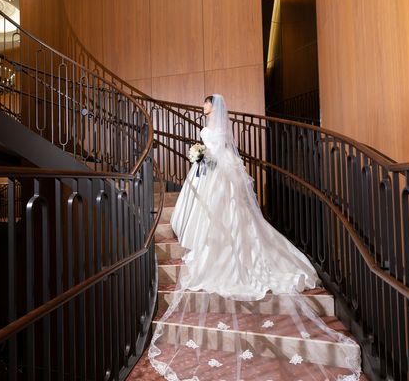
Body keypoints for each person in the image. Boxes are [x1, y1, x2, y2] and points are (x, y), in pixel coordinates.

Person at [148, 94, 361, 380]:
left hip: (216, 176)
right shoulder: (216, 128)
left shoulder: (213, 129)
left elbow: (217, 152)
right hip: (214, 173)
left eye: (206, 103)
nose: (203, 106)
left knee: (227, 220)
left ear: (213, 106)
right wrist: (201, 156)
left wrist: (202, 155)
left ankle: (224, 254)